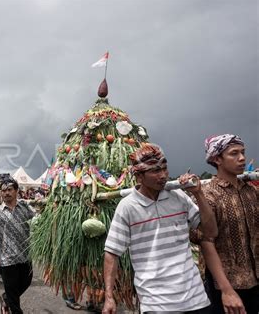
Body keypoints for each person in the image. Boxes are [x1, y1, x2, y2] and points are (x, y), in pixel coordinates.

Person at [102, 144, 217, 314]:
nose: (163, 175)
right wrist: (109, 297)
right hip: (156, 302)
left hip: (195, 297)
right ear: (139, 176)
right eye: (155, 171)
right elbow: (112, 253)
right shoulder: (127, 207)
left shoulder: (179, 196)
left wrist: (199, 194)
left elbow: (211, 232)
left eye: (164, 169)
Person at [200, 134, 258, 314]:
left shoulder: (252, 191)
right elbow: (206, 243)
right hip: (227, 287)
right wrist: (226, 290)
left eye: (243, 152)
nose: (242, 158)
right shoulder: (207, 195)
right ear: (217, 159)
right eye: (234, 153)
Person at [0, 177, 36, 314]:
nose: (6, 193)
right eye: (3, 190)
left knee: (26, 282)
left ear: (16, 191)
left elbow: (38, 219)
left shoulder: (25, 206)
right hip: (7, 259)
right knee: (13, 291)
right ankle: (12, 305)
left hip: (25, 255)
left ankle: (6, 299)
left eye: (9, 190)